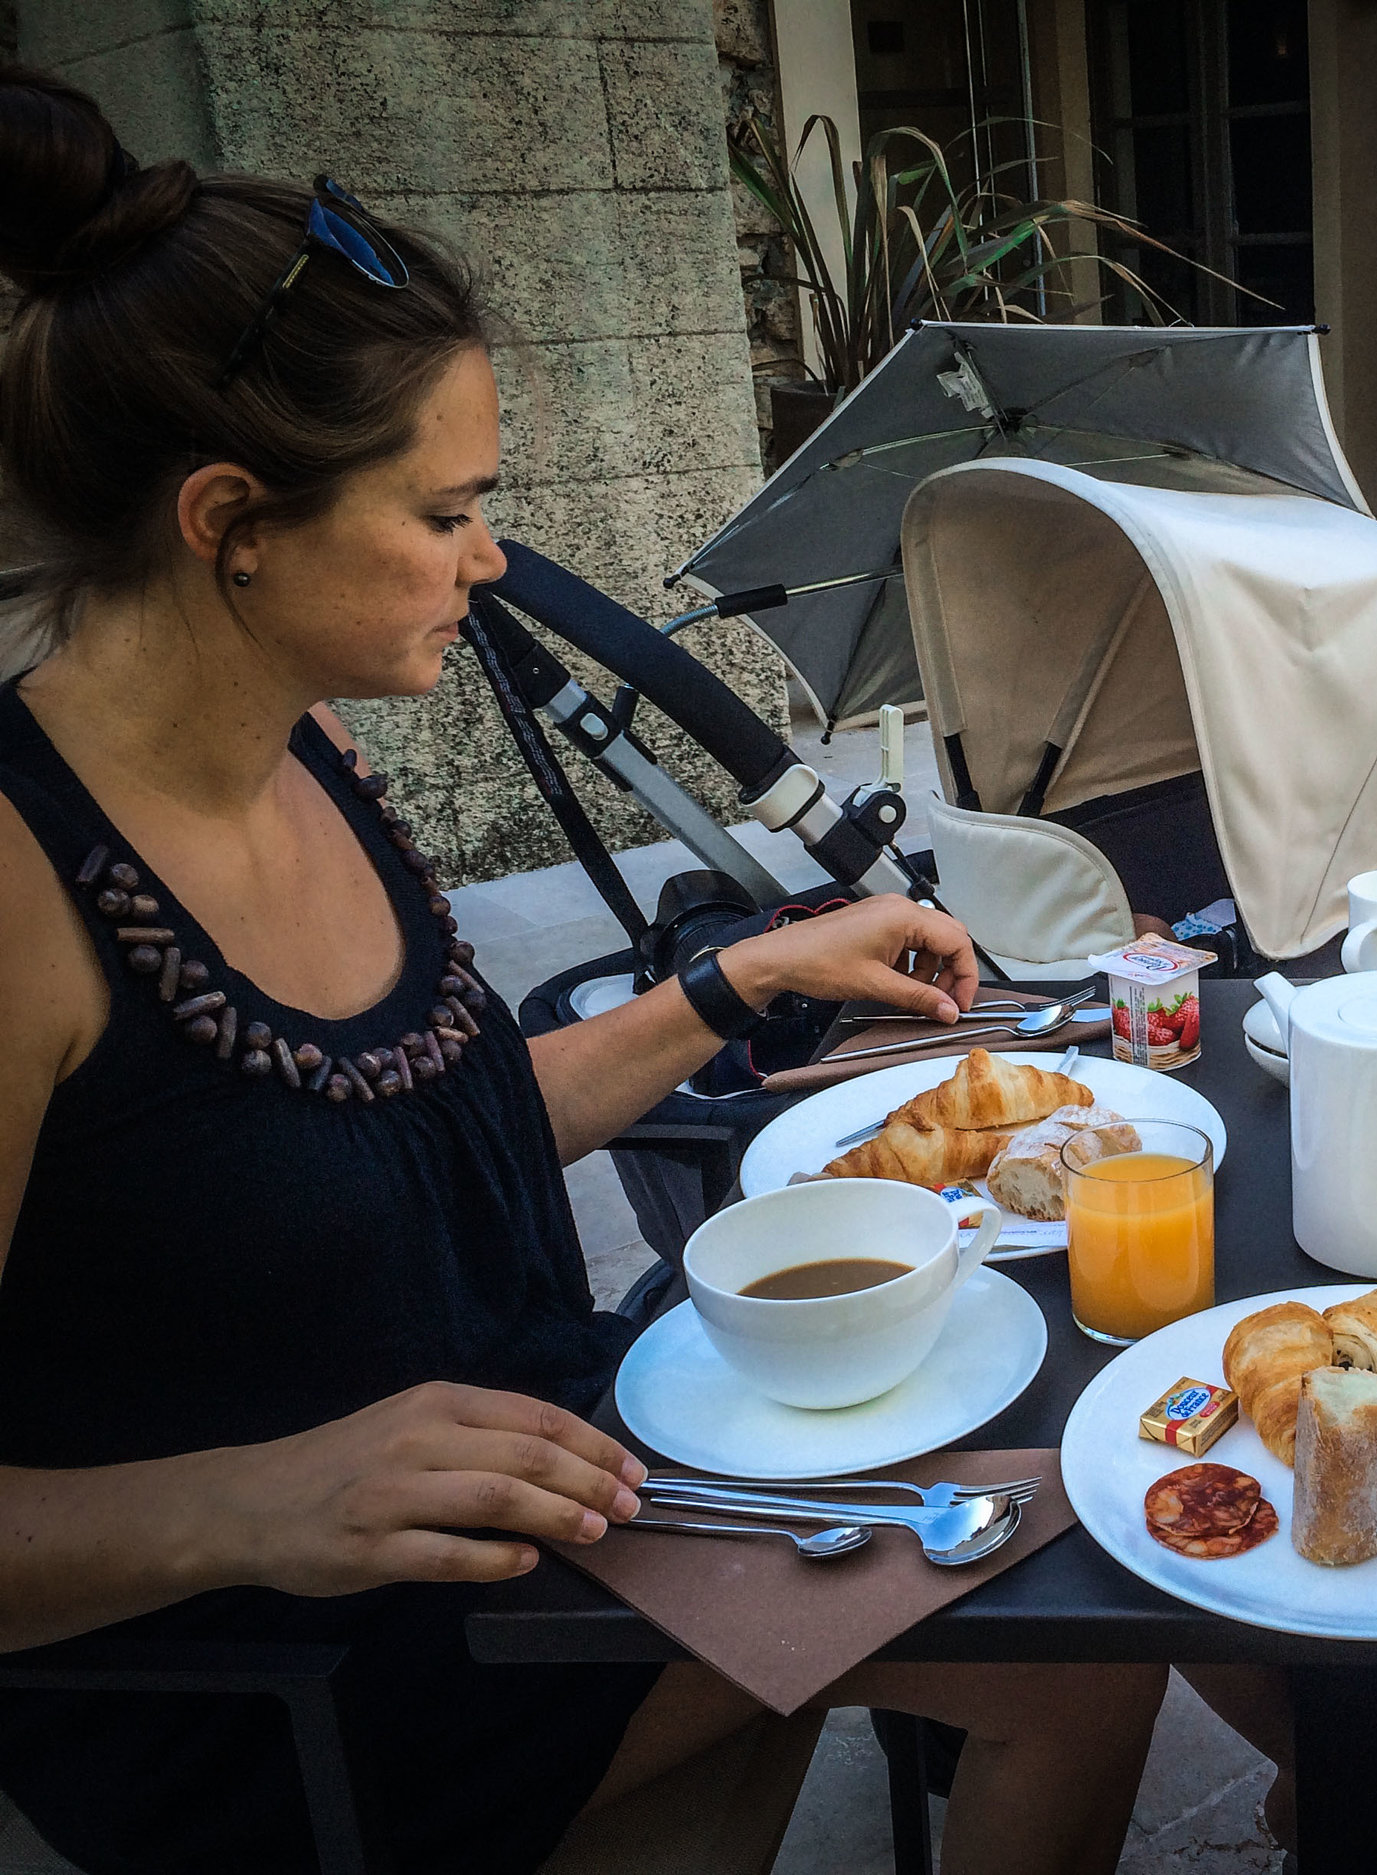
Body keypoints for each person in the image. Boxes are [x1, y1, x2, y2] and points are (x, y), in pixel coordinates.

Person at [0, 65, 1167, 1874]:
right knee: (1072, 1650)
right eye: (445, 511)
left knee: (1064, 1417)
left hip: (548, 1490)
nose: (491, 560)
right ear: (230, 520)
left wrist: (746, 978)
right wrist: (260, 1501)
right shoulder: (17, 886)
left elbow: (420, 1142)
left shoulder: (303, 755)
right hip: (296, 1671)